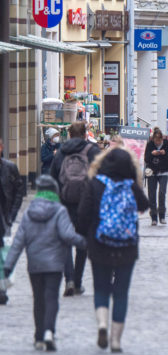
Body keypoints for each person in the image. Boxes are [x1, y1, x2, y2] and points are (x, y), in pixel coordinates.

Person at [77, 147, 149, 353]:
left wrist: (86, 234)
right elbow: (145, 204)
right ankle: (116, 340)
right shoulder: (130, 186)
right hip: (127, 246)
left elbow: (83, 215)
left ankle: (102, 325)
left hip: (100, 243)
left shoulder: (96, 184)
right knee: (121, 292)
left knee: (101, 288)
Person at [3, 175, 86, 351]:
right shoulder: (59, 211)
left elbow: (19, 241)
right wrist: (86, 243)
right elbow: (68, 235)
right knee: (51, 298)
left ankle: (38, 336)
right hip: (55, 264)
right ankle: (49, 331)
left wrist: (8, 265)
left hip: (35, 264)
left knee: (38, 300)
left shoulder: (29, 213)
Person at [50, 121, 101, 297]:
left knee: (64, 240)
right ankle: (78, 282)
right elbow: (101, 176)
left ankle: (69, 279)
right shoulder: (93, 151)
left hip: (64, 201)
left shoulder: (62, 151)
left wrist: (57, 199)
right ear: (85, 134)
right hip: (86, 202)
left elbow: (53, 176)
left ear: (70, 135)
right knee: (82, 241)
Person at [0, 138, 26, 305]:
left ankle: (1, 289)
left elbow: (19, 190)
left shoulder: (9, 168)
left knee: (3, 254)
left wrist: (12, 214)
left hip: (3, 218)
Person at [144, 127, 168, 226]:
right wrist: (152, 154)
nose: (157, 143)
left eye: (159, 140)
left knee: (162, 193)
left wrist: (163, 154)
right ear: (153, 139)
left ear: (162, 139)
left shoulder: (166, 144)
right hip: (152, 172)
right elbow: (146, 159)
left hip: (163, 172)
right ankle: (153, 217)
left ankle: (162, 215)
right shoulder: (150, 144)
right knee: (152, 194)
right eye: (156, 141)